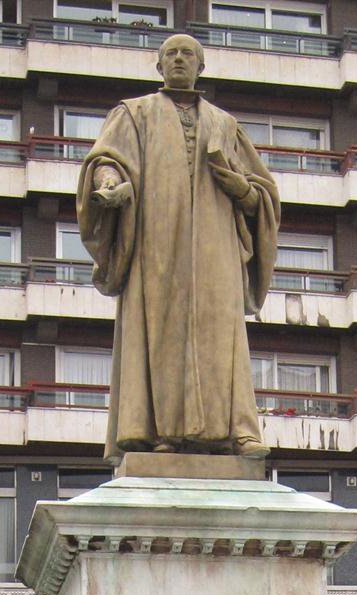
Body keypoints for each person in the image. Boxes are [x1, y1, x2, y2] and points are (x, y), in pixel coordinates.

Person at [76, 34, 279, 461]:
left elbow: (263, 196)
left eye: (188, 54)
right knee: (160, 330)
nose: (180, 59)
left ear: (201, 67)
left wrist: (241, 188)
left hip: (216, 249)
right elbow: (106, 160)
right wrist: (110, 183)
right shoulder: (134, 113)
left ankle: (237, 431)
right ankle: (158, 432)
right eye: (171, 54)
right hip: (157, 245)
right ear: (159, 65)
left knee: (222, 332)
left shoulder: (225, 124)